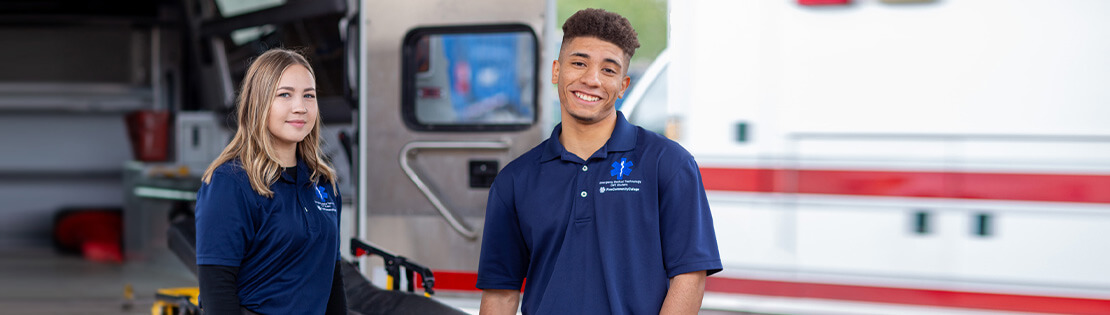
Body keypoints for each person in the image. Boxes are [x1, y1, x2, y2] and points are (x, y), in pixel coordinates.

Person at [477, 8, 722, 315]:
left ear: (623, 85)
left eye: (608, 70)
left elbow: (689, 277)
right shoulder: (515, 180)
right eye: (579, 63)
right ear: (556, 70)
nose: (591, 79)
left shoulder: (669, 164)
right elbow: (500, 295)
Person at [195, 48, 346, 315]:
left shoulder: (323, 182)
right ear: (259, 103)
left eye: (308, 95)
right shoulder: (230, 182)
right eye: (285, 94)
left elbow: (331, 278)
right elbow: (217, 289)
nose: (300, 107)